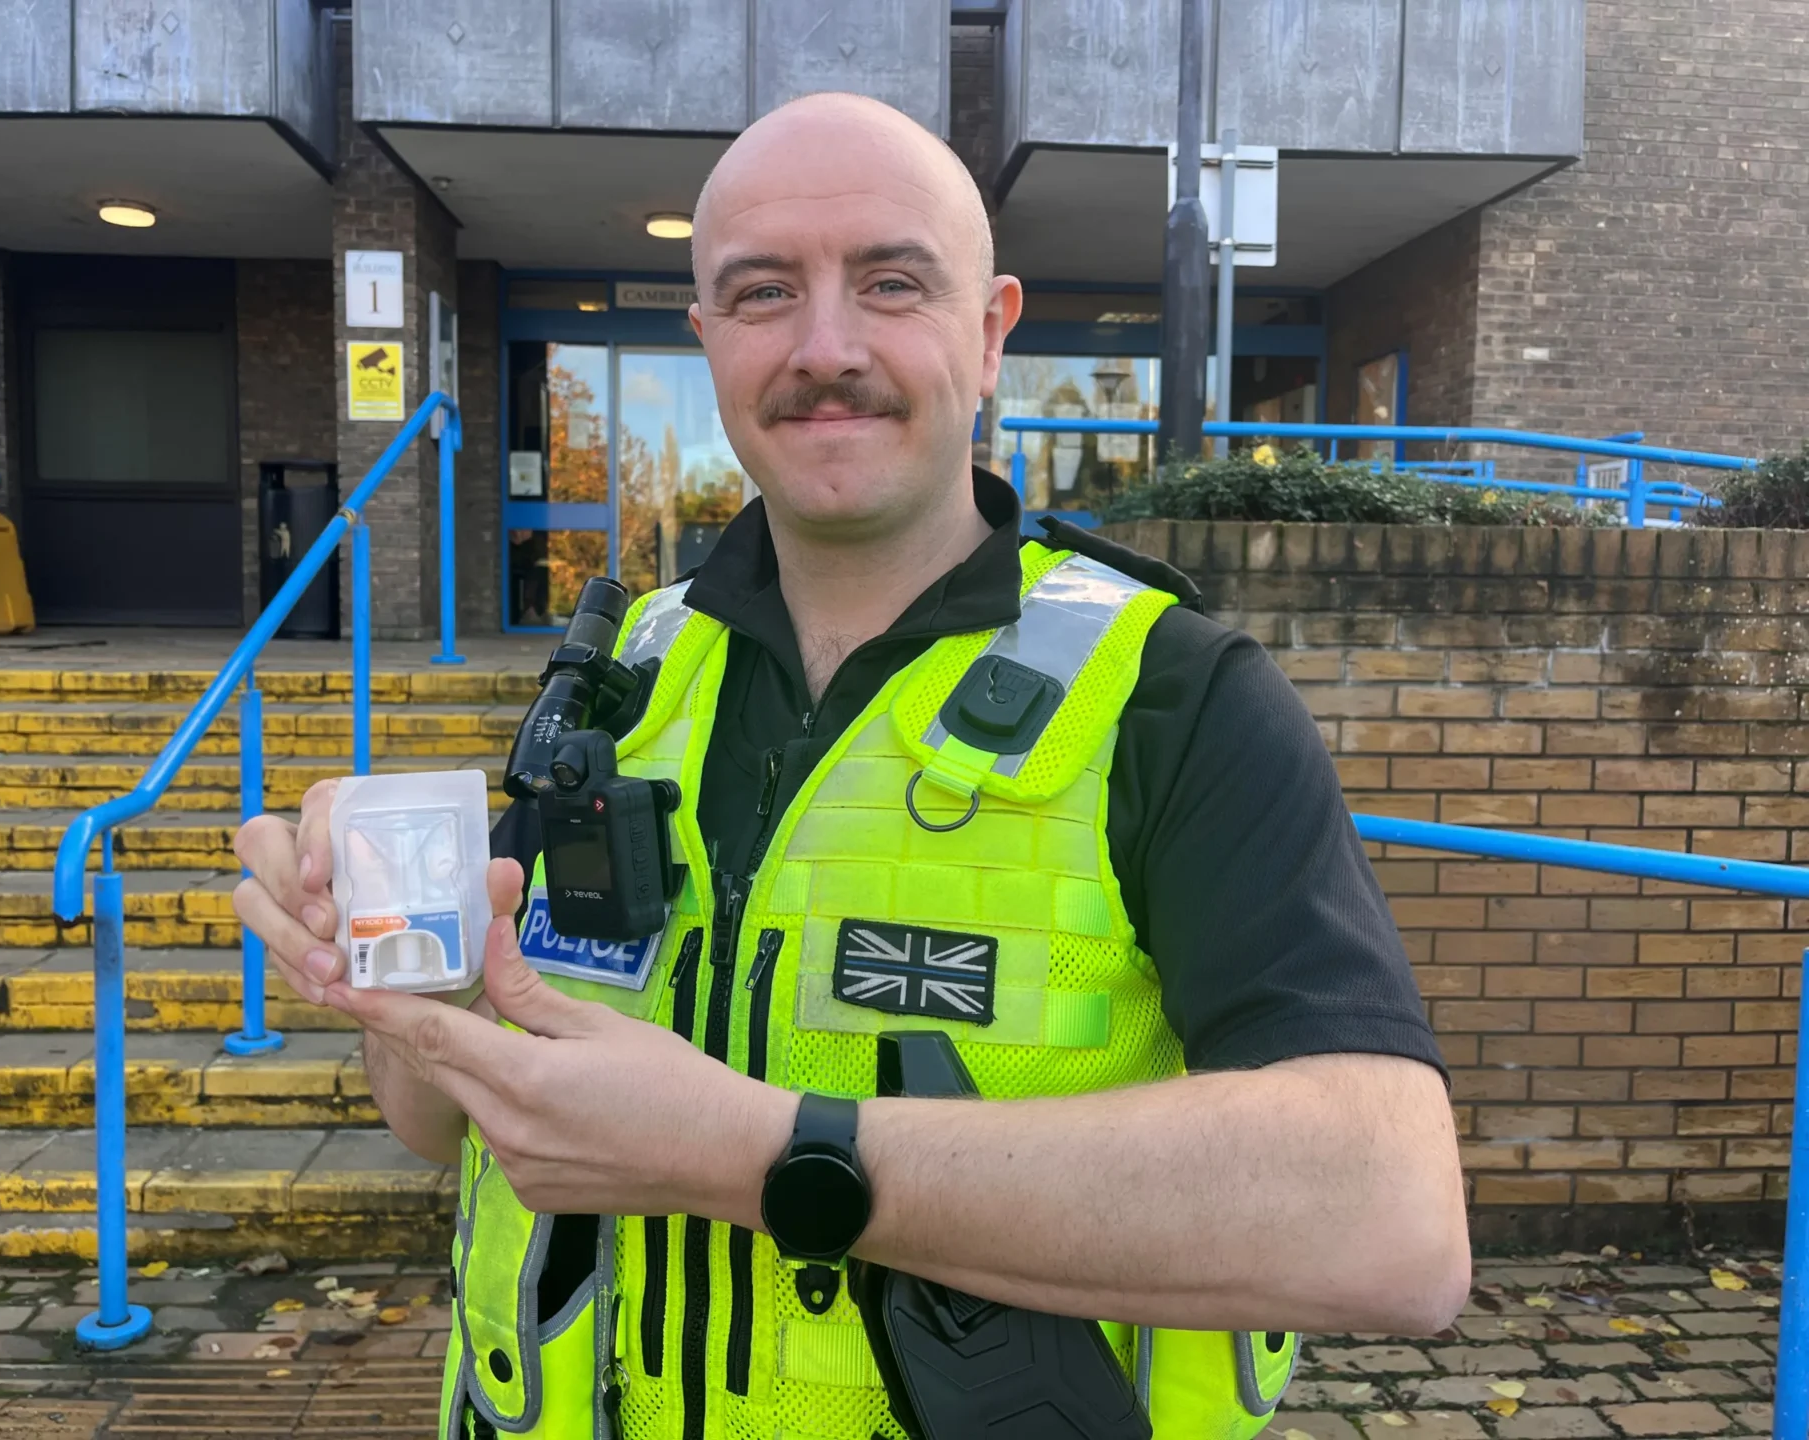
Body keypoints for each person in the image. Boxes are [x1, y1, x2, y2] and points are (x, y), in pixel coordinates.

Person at [235, 91, 1469, 1440]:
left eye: (890, 282)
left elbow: (1390, 1225)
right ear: (706, 342)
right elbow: (448, 1127)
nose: (826, 349)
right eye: (765, 293)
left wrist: (761, 1157)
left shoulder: (1175, 697)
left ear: (989, 330)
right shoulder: (618, 680)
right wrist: (406, 964)